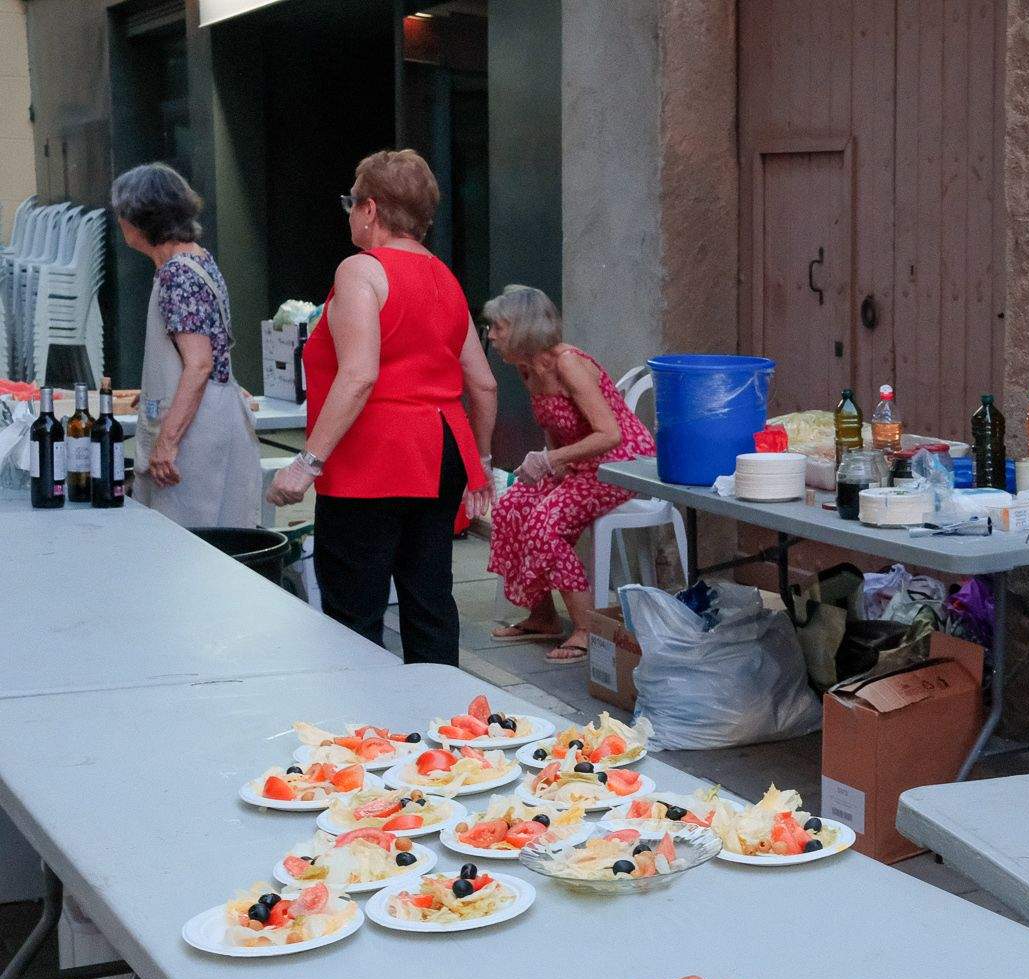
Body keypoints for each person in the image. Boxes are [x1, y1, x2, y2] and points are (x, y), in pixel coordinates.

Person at [268, 149, 497, 667]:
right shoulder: (445, 278)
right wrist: (481, 462)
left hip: (371, 457)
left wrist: (306, 463)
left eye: (351, 202)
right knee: (430, 598)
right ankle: (443, 731)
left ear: (370, 209)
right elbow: (482, 384)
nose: (349, 213)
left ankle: (367, 734)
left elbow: (360, 373)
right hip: (441, 450)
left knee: (355, 610)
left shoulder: (361, 271)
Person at [480, 285, 649, 662]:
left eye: (498, 326)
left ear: (523, 328)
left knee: (547, 522)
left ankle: (587, 627)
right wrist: (551, 465)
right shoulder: (528, 369)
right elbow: (554, 427)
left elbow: (610, 434)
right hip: (578, 462)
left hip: (620, 462)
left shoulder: (568, 363)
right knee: (511, 508)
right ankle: (542, 617)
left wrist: (550, 462)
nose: (490, 334)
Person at [110, 163, 262, 527]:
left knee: (185, 550)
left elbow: (199, 365)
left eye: (122, 214)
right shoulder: (196, 260)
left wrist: (167, 443)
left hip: (195, 436)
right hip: (211, 418)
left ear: (141, 219)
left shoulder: (178, 275)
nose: (119, 223)